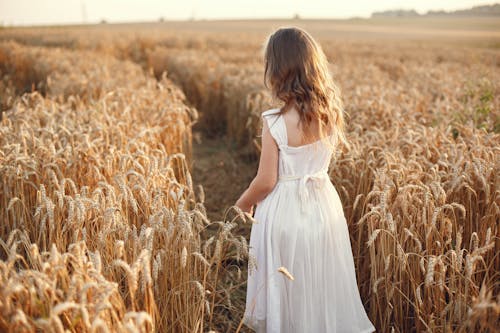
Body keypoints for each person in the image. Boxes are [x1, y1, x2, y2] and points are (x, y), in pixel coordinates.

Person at [235, 27, 376, 333]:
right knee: (320, 277)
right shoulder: (330, 114)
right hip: (324, 206)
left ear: (276, 70)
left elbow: (266, 181)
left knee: (285, 283)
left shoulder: (274, 121)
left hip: (283, 210)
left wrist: (243, 203)